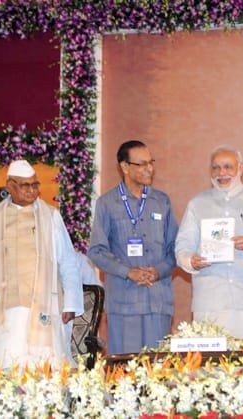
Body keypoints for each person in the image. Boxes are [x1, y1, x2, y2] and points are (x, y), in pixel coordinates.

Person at [0, 159, 83, 370]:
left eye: (35, 185)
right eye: (25, 185)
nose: (32, 191)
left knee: (44, 371)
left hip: (44, 306)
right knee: (9, 372)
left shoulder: (51, 216)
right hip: (7, 311)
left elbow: (67, 261)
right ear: (9, 186)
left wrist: (70, 303)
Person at [175, 145, 243, 342]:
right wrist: (190, 260)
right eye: (216, 168)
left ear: (241, 169)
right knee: (211, 368)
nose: (222, 173)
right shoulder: (197, 204)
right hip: (210, 299)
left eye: (228, 167)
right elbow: (182, 245)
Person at [88, 140, 178, 354]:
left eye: (151, 162)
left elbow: (176, 248)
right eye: (142, 164)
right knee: (125, 373)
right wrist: (129, 272)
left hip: (158, 301)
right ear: (125, 167)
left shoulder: (161, 202)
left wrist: (158, 271)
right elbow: (96, 251)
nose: (150, 168)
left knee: (158, 372)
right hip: (124, 302)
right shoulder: (107, 203)